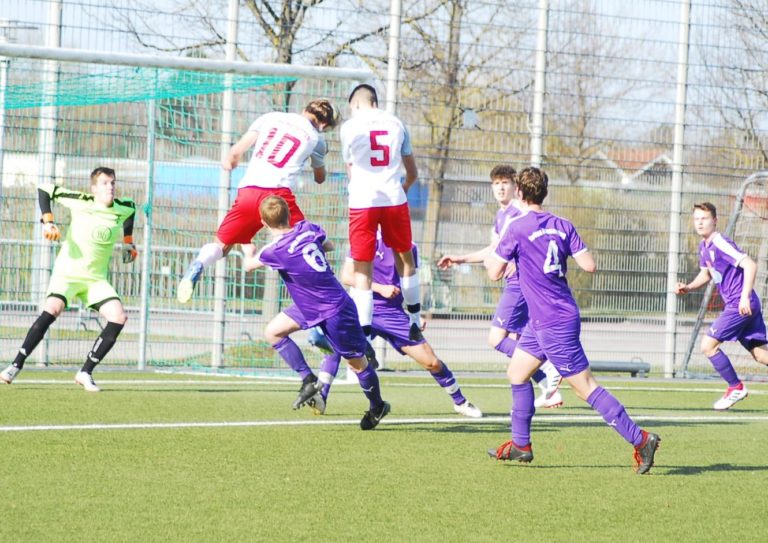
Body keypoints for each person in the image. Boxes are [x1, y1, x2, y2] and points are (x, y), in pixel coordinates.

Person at [484, 166, 660, 474]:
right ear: (545, 192)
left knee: (585, 387)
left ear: (520, 194)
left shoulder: (516, 227)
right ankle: (520, 445)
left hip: (552, 322)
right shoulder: (563, 225)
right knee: (517, 372)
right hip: (548, 318)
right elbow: (589, 265)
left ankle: (641, 438)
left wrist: (509, 258)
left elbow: (494, 272)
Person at [241, 195, 390, 430]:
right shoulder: (308, 227)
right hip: (310, 304)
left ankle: (377, 406)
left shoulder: (275, 250)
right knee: (273, 332)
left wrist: (247, 248)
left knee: (357, 365)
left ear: (263, 222)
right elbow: (328, 246)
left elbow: (248, 265)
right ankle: (309, 380)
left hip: (334, 309)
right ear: (290, 215)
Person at [176, 98, 340, 303]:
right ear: (324, 124)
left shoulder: (270, 117)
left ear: (304, 109)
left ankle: (199, 263)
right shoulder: (316, 139)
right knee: (310, 242)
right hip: (279, 196)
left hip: (248, 190)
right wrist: (319, 160)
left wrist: (231, 160)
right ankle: (263, 263)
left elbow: (235, 152)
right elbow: (320, 178)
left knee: (222, 246)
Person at [303, 234, 483, 418]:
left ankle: (460, 402)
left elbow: (409, 283)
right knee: (338, 347)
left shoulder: (408, 245)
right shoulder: (363, 239)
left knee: (431, 361)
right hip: (359, 308)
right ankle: (321, 398)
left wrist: (415, 315)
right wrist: (381, 288)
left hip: (392, 314)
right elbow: (347, 276)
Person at [437, 165, 563, 408]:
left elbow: (500, 254)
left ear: (517, 188)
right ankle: (549, 387)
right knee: (520, 340)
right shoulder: (501, 215)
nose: (501, 187)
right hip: (522, 285)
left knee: (496, 339)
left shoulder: (516, 213)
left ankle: (547, 367)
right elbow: (494, 249)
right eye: (496, 183)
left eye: (506, 182)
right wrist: (460, 258)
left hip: (519, 284)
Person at [1, 167, 137, 392]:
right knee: (53, 309)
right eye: (104, 183)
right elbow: (44, 189)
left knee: (119, 316)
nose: (110, 187)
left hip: (95, 279)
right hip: (68, 273)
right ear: (93, 188)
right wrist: (48, 221)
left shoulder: (124, 207)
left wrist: (129, 241)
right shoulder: (81, 200)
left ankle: (85, 372)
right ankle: (15, 365)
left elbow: (131, 212)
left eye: (112, 183)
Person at [339, 84, 422, 346]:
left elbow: (351, 167)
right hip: (393, 199)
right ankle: (415, 320)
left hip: (363, 202)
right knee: (405, 259)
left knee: (363, 267)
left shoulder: (349, 127)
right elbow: (412, 172)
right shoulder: (397, 123)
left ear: (355, 104)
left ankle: (364, 334)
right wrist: (403, 188)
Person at [675, 202, 768, 410]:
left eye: (704, 218)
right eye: (697, 219)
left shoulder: (720, 242)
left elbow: (750, 265)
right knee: (761, 355)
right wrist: (688, 287)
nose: (700, 223)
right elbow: (706, 273)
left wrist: (744, 297)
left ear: (715, 221)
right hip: (744, 304)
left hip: (739, 303)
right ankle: (735, 386)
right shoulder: (704, 246)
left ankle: (735, 387)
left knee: (708, 345)